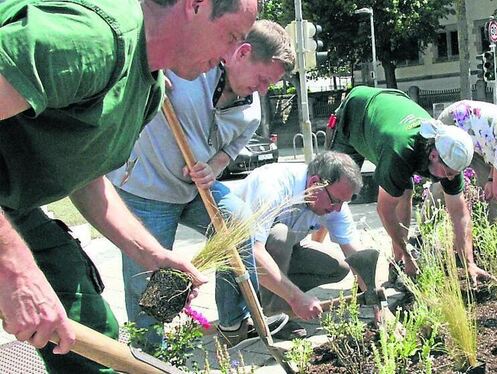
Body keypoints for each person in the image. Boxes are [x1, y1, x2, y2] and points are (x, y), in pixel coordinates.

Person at [0, 0, 256, 372]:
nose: (231, 55)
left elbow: (84, 176)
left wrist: (152, 254)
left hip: (13, 204)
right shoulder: (91, 41)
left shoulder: (149, 90)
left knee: (86, 336)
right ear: (195, 6)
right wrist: (14, 269)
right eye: (232, 36)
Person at [106, 19, 295, 350]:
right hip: (145, 189)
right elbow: (139, 51)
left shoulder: (251, 112)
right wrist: (152, 79)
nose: (263, 90)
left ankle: (233, 321)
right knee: (149, 279)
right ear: (242, 53)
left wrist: (212, 167)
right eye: (263, 79)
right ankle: (151, 355)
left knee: (239, 226)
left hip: (195, 191)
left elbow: (228, 152)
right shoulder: (189, 68)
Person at [327, 86, 489, 285]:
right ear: (433, 155)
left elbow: (459, 212)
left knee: (405, 191)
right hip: (355, 114)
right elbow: (385, 210)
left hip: (388, 109)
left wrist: (468, 262)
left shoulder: (449, 158)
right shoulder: (400, 151)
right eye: (447, 173)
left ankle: (396, 262)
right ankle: (316, 245)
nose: (448, 178)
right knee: (334, 195)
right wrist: (409, 255)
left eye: (453, 174)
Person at [222, 151, 366, 341]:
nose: (337, 209)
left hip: (278, 252)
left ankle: (274, 296)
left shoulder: (332, 196)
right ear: (315, 183)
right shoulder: (272, 185)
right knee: (280, 235)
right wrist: (297, 298)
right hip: (238, 261)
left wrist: (375, 301)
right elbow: (251, 251)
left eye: (343, 202)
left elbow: (354, 253)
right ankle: (272, 313)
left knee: (339, 267)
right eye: (336, 201)